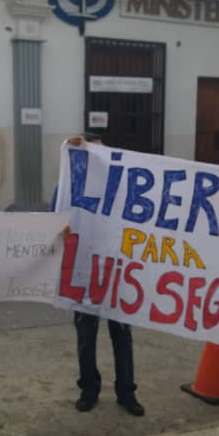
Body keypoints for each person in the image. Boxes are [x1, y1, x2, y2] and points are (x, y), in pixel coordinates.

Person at [54, 134, 145, 417]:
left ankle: (126, 392)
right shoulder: (66, 188)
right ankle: (89, 390)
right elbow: (54, 225)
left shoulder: (121, 191)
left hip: (116, 272)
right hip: (83, 272)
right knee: (85, 337)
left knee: (122, 336)